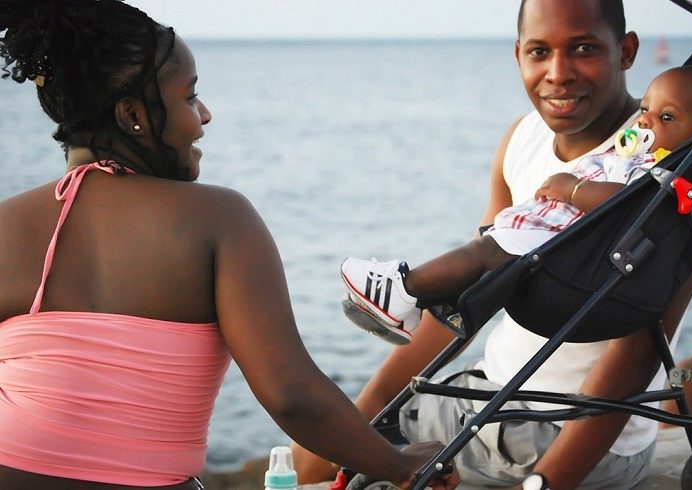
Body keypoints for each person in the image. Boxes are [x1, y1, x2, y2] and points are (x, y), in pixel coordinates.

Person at [0, 2, 460, 489]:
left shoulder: (7, 225)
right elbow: (291, 395)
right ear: (133, 115)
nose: (204, 115)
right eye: (190, 97)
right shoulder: (219, 219)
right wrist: (399, 462)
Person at [292, 0, 692, 489]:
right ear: (518, 56)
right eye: (539, 51)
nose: (558, 73)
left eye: (583, 48)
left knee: (336, 458)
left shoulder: (656, 168)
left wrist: (548, 481)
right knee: (312, 457)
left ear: (626, 50)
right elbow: (469, 297)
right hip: (498, 394)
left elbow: (638, 351)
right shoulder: (523, 139)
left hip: (569, 431)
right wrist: (371, 404)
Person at [339, 65, 692, 346]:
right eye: (646, 109)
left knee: (482, 252)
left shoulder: (663, 175)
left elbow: (625, 203)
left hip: (570, 253)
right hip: (560, 241)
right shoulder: (639, 157)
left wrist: (572, 189)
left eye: (666, 116)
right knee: (483, 254)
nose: (647, 122)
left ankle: (403, 288)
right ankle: (410, 308)